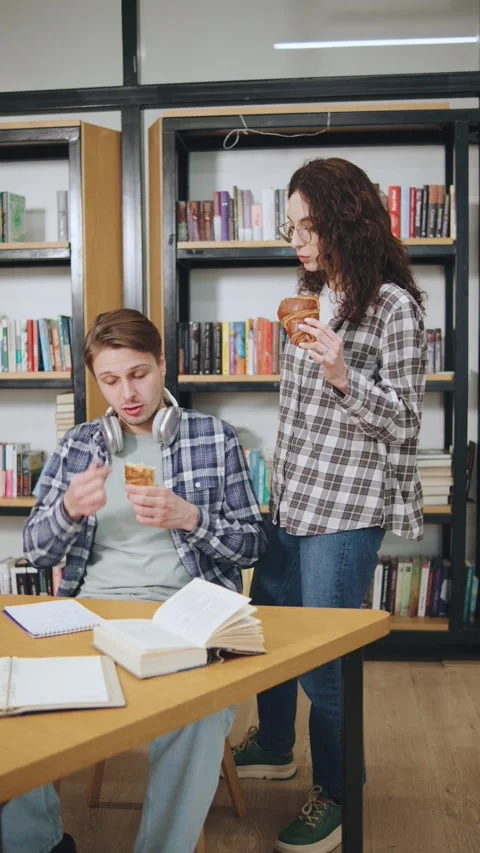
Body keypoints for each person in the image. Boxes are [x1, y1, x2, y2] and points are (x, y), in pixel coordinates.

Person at [2, 308, 267, 853]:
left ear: (163, 364)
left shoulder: (213, 438)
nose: (128, 393)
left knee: (195, 718)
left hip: (185, 614)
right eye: (111, 380)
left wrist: (189, 517)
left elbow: (253, 545)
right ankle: (38, 844)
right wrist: (69, 511)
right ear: (96, 381)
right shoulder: (78, 446)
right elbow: (34, 549)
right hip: (89, 615)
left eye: (140, 374)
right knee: (8, 701)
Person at [233, 157, 427, 853]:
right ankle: (278, 743)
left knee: (325, 661)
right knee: (270, 631)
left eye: (309, 226)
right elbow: (297, 411)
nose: (300, 243)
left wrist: (344, 373)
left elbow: (406, 422)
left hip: (345, 510)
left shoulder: (395, 307)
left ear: (348, 219)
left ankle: (340, 792)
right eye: (292, 229)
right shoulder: (310, 295)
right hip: (291, 499)